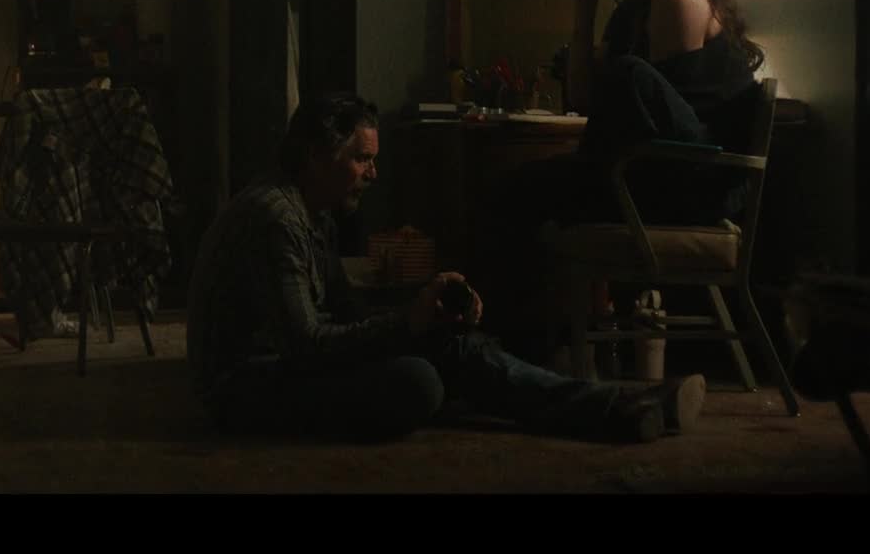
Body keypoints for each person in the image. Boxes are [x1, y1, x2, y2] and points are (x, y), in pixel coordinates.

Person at [185, 90, 705, 444]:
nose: (373, 173)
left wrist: (427, 308)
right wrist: (407, 325)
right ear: (317, 156)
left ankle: (620, 408)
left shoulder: (314, 212)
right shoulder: (276, 217)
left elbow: (346, 312)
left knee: (444, 349)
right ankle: (616, 408)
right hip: (248, 388)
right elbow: (306, 345)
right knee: (418, 382)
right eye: (362, 159)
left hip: (294, 366)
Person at [477, 0, 768, 362]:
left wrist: (590, 163)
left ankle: (519, 354)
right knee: (509, 190)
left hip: (693, 178)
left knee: (626, 77)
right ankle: (515, 350)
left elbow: (655, 119)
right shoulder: (633, 9)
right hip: (642, 168)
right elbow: (583, 99)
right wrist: (584, 4)